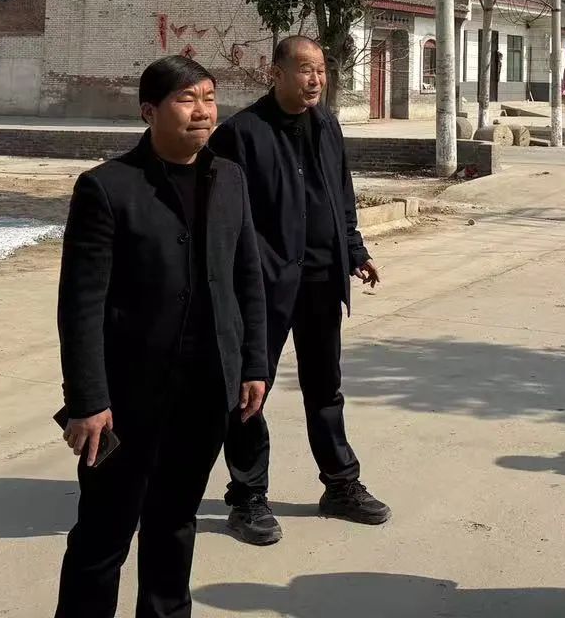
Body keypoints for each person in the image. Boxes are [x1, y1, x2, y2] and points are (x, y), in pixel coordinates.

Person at [54, 55, 269, 618]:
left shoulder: (230, 179)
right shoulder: (107, 188)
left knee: (174, 524)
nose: (202, 111)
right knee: (103, 534)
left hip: (205, 391)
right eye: (186, 99)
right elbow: (80, 306)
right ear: (149, 111)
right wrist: (88, 401)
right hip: (126, 401)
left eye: (209, 98)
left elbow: (247, 278)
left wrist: (253, 364)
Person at [208, 35, 390, 545]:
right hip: (264, 287)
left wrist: (354, 250)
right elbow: (224, 217)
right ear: (277, 73)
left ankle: (341, 484)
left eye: (321, 70)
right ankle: (247, 497)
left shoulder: (327, 124)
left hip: (321, 279)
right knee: (249, 392)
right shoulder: (241, 134)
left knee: (325, 387)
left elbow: (341, 194)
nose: (315, 80)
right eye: (305, 69)